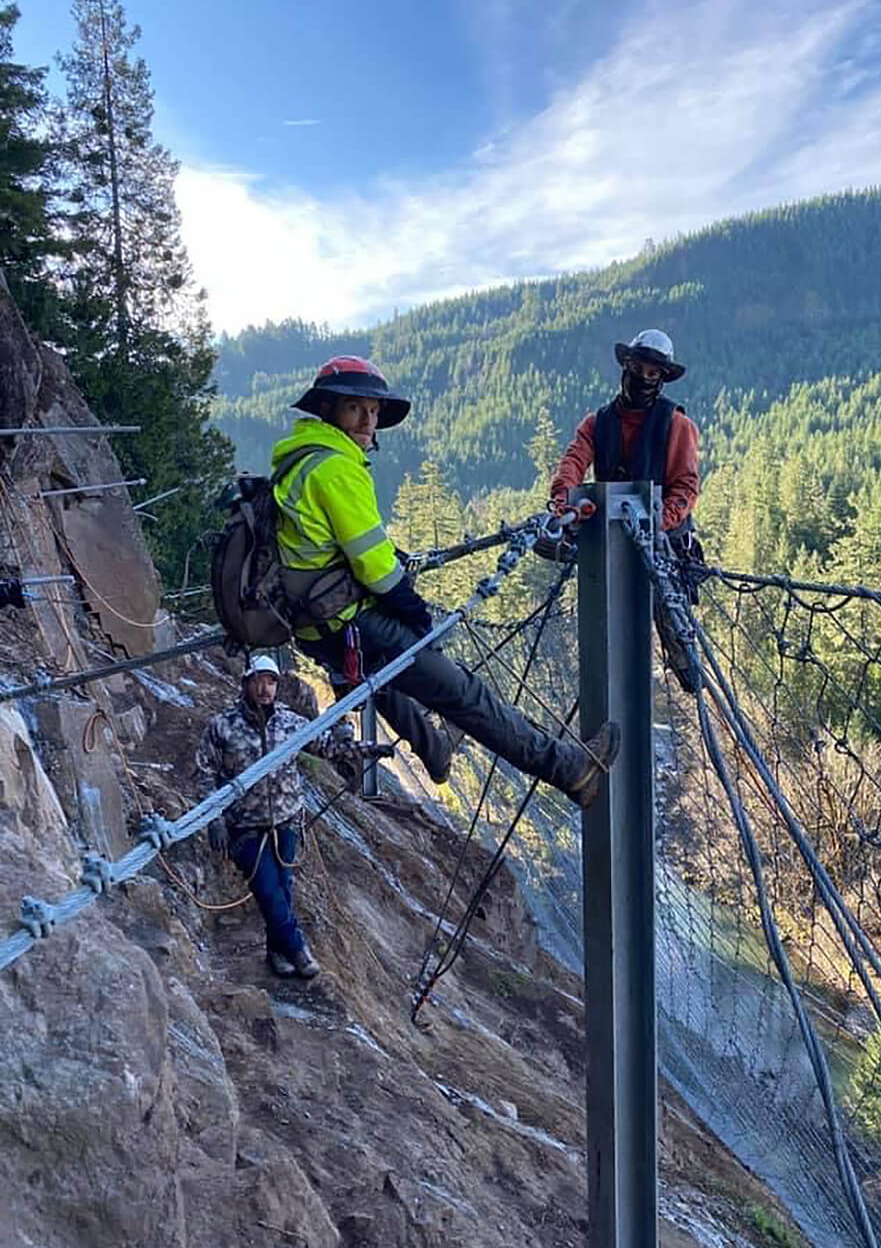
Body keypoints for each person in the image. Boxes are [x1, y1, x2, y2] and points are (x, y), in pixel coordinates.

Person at [269, 355, 619, 806]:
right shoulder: (337, 469)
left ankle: (434, 751)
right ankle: (570, 770)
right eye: (356, 408)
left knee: (385, 680)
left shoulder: (300, 458)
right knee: (463, 694)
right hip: (350, 620)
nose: (368, 421)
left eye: (373, 411)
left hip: (314, 624)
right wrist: (416, 615)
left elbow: (330, 542)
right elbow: (376, 568)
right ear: (329, 410)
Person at [195, 654, 362, 979]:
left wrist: (364, 747)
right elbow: (205, 771)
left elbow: (326, 749)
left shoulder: (290, 723)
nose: (265, 688)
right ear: (246, 683)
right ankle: (298, 950)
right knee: (269, 890)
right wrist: (213, 818)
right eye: (258, 680)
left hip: (285, 821)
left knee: (283, 889)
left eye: (271, 681)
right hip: (244, 825)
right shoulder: (223, 725)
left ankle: (276, 952)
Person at [549, 329, 700, 540]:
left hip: (666, 545)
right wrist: (563, 499)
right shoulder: (596, 423)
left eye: (652, 373)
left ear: (661, 379)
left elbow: (686, 485)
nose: (642, 378)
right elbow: (573, 463)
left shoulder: (678, 426)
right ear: (625, 367)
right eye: (637, 368)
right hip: (607, 540)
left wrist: (659, 521)